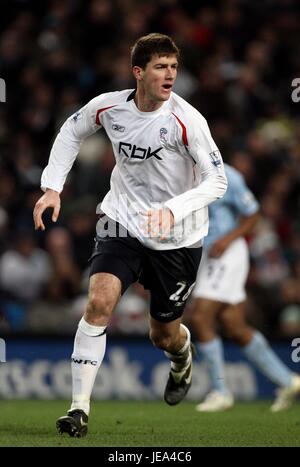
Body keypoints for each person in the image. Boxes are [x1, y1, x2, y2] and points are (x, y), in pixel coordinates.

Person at [33, 33, 227, 437]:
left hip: (178, 238)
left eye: (174, 66)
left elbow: (217, 181)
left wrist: (173, 209)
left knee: (163, 335)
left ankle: (181, 357)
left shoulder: (187, 121)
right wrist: (53, 187)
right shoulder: (109, 107)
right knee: (99, 302)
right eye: (160, 66)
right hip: (120, 221)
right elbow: (72, 131)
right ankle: (78, 409)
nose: (170, 74)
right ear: (138, 72)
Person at [191, 163, 300, 412]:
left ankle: (220, 391)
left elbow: (253, 215)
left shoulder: (227, 176)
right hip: (207, 254)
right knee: (233, 325)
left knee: (200, 316)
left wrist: (227, 240)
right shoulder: (182, 174)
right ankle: (288, 381)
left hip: (227, 251)